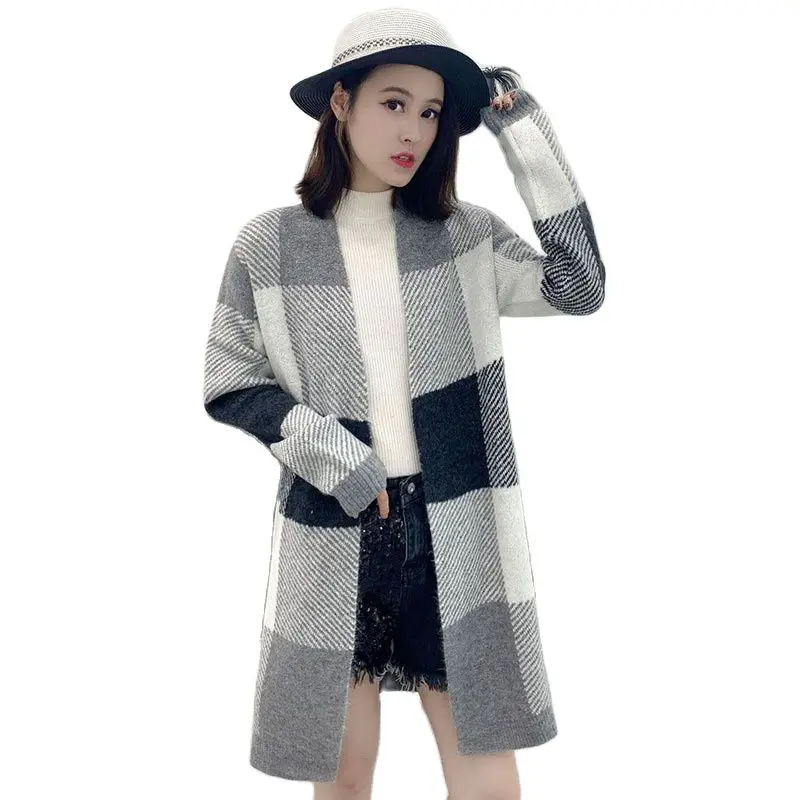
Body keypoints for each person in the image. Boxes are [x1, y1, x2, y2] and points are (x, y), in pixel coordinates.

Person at [202, 6, 605, 797]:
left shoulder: (466, 238)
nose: (413, 131)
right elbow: (229, 375)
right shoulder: (270, 244)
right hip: (335, 521)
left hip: (455, 522)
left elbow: (579, 286)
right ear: (341, 102)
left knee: (486, 775)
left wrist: (522, 133)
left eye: (429, 112)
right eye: (393, 103)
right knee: (343, 777)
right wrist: (337, 458)